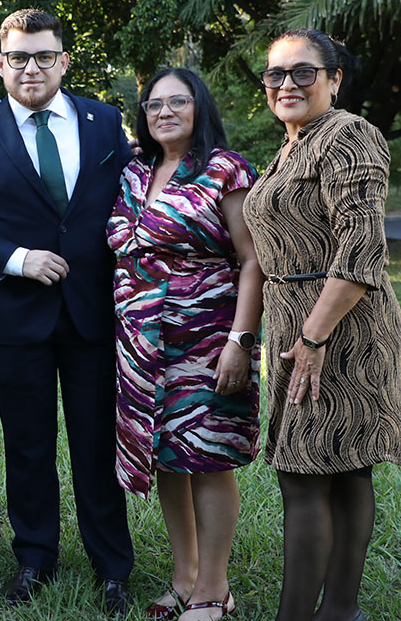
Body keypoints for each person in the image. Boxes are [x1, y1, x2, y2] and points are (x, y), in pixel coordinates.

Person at [0, 8, 135, 615]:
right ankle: (34, 558)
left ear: (64, 61)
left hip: (94, 314)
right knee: (27, 445)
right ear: (0, 64)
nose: (31, 68)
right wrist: (18, 259)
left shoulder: (105, 124)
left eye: (44, 56)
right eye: (18, 57)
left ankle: (112, 565)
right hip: (17, 317)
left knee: (96, 443)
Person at [242, 29, 401, 621]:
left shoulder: (349, 136)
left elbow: (361, 252)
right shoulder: (292, 145)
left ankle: (316, 614)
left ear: (334, 79)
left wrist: (313, 339)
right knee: (337, 469)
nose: (286, 84)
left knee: (307, 476)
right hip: (300, 321)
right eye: (275, 74)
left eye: (302, 73)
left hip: (340, 324)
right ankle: (340, 611)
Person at [107, 68, 264, 621]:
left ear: (199, 107)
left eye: (178, 101)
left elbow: (252, 261)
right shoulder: (133, 172)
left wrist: (239, 343)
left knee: (208, 455)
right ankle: (184, 577)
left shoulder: (225, 169)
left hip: (207, 335)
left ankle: (214, 591)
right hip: (140, 340)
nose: (165, 112)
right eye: (154, 104)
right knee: (168, 457)